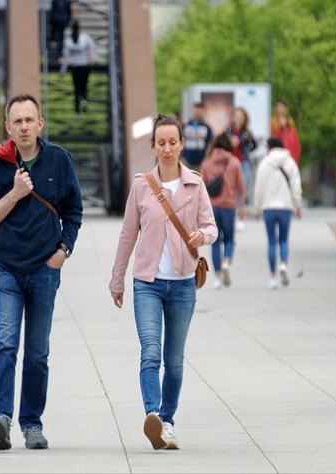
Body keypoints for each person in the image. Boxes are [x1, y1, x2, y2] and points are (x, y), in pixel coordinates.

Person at [0, 93, 83, 451]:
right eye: (17, 121)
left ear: (40, 123)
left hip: (45, 268)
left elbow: (73, 211)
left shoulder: (60, 160)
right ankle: (0, 417)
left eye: (30, 119)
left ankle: (32, 424)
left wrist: (64, 250)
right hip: (7, 269)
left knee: (37, 353)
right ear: (8, 127)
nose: (24, 126)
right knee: (6, 343)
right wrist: (14, 194)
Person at [109, 114, 217, 450]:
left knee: (175, 360)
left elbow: (212, 227)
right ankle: (153, 415)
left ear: (182, 144)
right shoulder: (142, 185)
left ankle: (167, 421)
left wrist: (203, 235)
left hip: (183, 284)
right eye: (161, 142)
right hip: (148, 284)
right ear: (153, 146)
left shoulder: (195, 185)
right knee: (150, 353)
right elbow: (128, 234)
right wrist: (117, 280)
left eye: (173, 142)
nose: (167, 148)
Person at [252, 136, 303, 289]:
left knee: (272, 241)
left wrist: (257, 208)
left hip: (268, 207)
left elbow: (259, 188)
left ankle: (273, 277)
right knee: (284, 240)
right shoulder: (290, 162)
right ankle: (284, 265)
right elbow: (296, 185)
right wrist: (298, 204)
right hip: (286, 208)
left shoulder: (265, 164)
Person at [200, 132, 246, 289]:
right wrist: (243, 208)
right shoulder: (234, 163)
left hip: (212, 208)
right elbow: (241, 188)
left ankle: (218, 277)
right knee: (229, 239)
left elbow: (201, 188)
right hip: (229, 206)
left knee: (215, 242)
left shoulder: (207, 163)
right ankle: (226, 261)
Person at [227, 107, 257, 227]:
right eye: (236, 116)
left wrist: (246, 147)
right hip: (229, 163)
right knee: (231, 189)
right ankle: (232, 214)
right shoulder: (228, 131)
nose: (238, 118)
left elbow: (254, 144)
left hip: (243, 162)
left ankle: (240, 215)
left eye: (241, 116)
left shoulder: (246, 132)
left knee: (241, 189)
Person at [60, 20, 97, 117]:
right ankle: (84, 99)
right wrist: (92, 56)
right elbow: (93, 46)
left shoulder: (69, 41)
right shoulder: (84, 37)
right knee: (84, 85)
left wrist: (63, 70)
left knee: (76, 88)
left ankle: (77, 111)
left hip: (75, 66)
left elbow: (66, 56)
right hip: (85, 65)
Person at [181, 102, 213, 171]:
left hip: (200, 163)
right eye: (196, 109)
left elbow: (210, 143)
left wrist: (207, 158)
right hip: (186, 161)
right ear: (193, 110)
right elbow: (180, 139)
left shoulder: (206, 127)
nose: (197, 112)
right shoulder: (186, 125)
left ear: (203, 111)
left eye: (200, 110)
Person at [270, 100, 302, 165]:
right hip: (278, 156)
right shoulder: (273, 121)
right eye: (278, 107)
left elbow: (295, 142)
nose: (280, 109)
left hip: (291, 157)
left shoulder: (290, 123)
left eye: (281, 107)